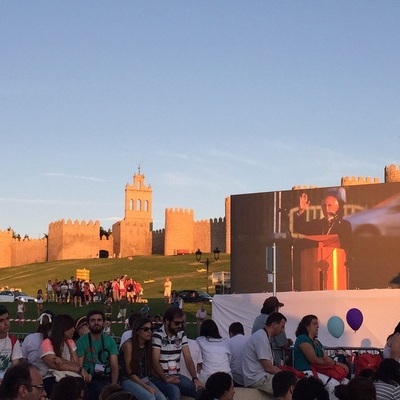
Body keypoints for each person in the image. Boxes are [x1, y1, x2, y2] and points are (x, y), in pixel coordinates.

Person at [151, 307, 204, 400]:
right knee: (174, 391)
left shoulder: (181, 334)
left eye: (182, 323)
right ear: (167, 321)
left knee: (200, 391)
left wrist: (195, 378)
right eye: (177, 323)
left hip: (176, 375)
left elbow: (188, 358)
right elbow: (155, 361)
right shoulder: (157, 335)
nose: (180, 326)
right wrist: (165, 379)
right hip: (159, 377)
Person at [293, 314, 349, 400]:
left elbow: (326, 358)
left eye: (317, 324)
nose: (317, 326)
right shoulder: (302, 339)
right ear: (307, 326)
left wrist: (339, 364)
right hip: (306, 371)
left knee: (346, 382)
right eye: (315, 324)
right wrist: (334, 363)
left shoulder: (317, 342)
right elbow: (314, 359)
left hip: (319, 370)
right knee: (333, 385)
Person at [40, 313, 91, 397]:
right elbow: (56, 365)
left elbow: (76, 364)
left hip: (70, 377)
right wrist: (79, 369)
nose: (74, 330)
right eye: (71, 327)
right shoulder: (47, 343)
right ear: (63, 328)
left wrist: (63, 361)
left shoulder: (70, 342)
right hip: (52, 377)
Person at [76, 310, 119, 400]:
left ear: (103, 323)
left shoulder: (110, 341)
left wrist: (113, 384)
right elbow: (79, 365)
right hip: (88, 378)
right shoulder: (81, 342)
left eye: (99, 320)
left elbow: (114, 366)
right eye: (93, 320)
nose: (96, 323)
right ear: (88, 324)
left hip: (106, 377)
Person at [120, 317, 166, 400]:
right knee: (150, 398)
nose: (149, 331)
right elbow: (130, 372)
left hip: (144, 378)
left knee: (162, 398)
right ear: (137, 331)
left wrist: (166, 377)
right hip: (128, 379)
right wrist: (146, 387)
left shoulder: (148, 345)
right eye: (145, 329)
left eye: (151, 329)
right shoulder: (129, 345)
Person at [242, 312, 287, 395]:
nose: (282, 330)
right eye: (282, 327)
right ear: (274, 324)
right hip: (257, 379)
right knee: (290, 388)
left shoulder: (262, 335)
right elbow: (269, 368)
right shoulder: (261, 337)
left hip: (258, 377)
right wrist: (286, 375)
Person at [251, 296, 293, 366]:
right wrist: (289, 342)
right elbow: (283, 344)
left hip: (257, 359)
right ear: (275, 309)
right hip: (273, 359)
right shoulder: (276, 322)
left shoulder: (257, 319)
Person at [196, 319, 231, 383]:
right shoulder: (225, 342)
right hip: (227, 377)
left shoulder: (200, 341)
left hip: (209, 378)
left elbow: (197, 361)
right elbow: (229, 360)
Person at [21, 311, 54, 378]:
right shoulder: (54, 339)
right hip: (49, 376)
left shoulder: (29, 338)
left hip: (31, 376)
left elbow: (23, 359)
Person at [0, 305, 22, 381]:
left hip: (6, 383)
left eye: (7, 319)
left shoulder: (13, 341)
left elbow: (16, 366)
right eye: (1, 320)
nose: (6, 323)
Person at [228, 322, 248, 387]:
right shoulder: (250, 340)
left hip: (235, 379)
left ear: (231, 333)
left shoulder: (228, 342)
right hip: (250, 378)